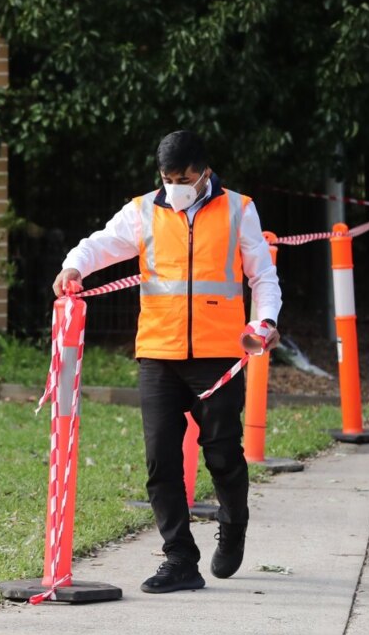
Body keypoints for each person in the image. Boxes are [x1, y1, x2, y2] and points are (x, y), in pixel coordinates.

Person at [52, 130, 282, 594]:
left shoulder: (239, 209)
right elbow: (101, 243)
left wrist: (266, 321)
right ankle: (180, 558)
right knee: (160, 460)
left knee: (222, 455)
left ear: (205, 172)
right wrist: (74, 265)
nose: (175, 185)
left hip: (218, 354)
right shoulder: (143, 210)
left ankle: (232, 523)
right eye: (168, 177)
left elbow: (263, 275)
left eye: (185, 177)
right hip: (158, 352)